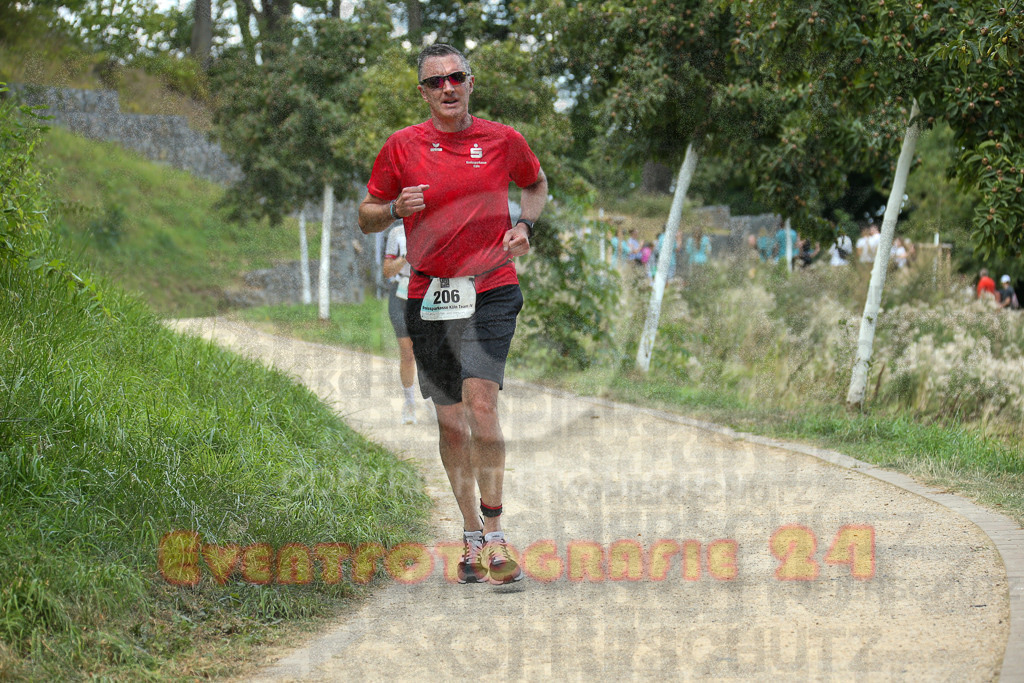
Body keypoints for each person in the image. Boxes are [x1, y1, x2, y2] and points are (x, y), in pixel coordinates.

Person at [358, 43, 547, 586]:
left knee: (481, 404)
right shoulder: (401, 146)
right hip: (428, 294)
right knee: (450, 421)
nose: (447, 87)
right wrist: (396, 208)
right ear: (422, 91)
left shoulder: (502, 140)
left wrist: (525, 227)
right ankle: (469, 534)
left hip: (490, 286)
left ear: (470, 82)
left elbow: (534, 184)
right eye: (435, 81)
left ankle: (496, 531)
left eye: (456, 77)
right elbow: (368, 216)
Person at [382, 221, 418, 424]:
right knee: (407, 352)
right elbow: (387, 270)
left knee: (430, 352)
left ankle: (436, 402)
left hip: (425, 295)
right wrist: (405, 258)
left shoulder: (435, 227)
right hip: (400, 294)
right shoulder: (397, 233)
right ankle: (410, 403)